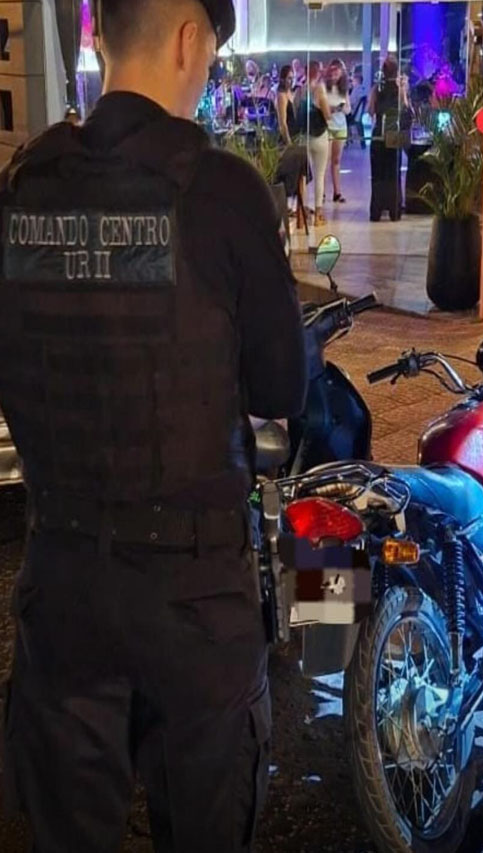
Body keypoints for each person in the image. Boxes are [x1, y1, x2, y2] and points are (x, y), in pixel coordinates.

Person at [0, 1, 307, 851]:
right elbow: (283, 384)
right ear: (186, 39)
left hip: (62, 583)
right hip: (194, 598)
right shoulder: (223, 193)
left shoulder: (23, 187)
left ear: (99, 36)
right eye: (210, 52)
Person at [367, 55, 409, 222]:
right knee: (393, 173)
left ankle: (376, 210)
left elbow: (370, 111)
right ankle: (394, 210)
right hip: (394, 132)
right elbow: (405, 109)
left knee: (378, 174)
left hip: (379, 133)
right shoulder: (400, 89)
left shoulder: (376, 89)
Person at [301, 60, 331, 227]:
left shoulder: (301, 89)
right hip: (319, 135)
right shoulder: (319, 89)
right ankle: (318, 214)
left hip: (304, 136)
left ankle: (303, 211)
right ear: (317, 71)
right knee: (319, 175)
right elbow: (326, 114)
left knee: (304, 176)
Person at [325, 59, 350, 203]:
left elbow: (348, 109)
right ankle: (321, 192)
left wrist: (342, 108)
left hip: (341, 126)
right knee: (326, 160)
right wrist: (332, 109)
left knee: (336, 160)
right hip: (328, 126)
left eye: (338, 71)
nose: (335, 74)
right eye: (333, 71)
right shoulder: (324, 88)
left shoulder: (343, 89)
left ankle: (337, 191)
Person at [276, 64, 297, 146]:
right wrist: (288, 142)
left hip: (295, 134)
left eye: (292, 78)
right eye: (289, 78)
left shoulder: (290, 92)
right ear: (283, 79)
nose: (291, 81)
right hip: (287, 137)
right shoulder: (282, 96)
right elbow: (282, 123)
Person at [348, 71, 368, 149]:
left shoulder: (356, 90)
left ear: (357, 80)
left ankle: (347, 140)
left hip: (354, 114)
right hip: (359, 114)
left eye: (353, 81)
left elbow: (351, 102)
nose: (352, 82)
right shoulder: (363, 89)